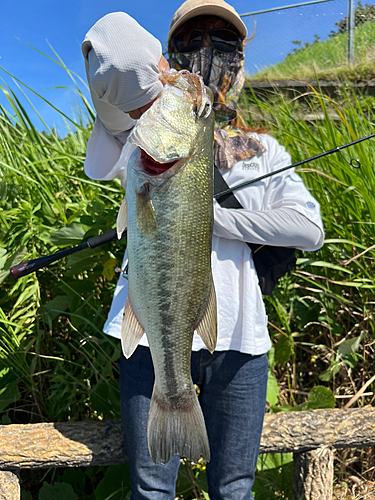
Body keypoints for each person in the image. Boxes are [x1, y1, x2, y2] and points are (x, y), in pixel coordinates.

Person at [82, 2, 325, 499]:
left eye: (223, 41)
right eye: (193, 39)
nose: (208, 50)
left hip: (239, 334)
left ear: (240, 56)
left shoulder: (265, 151)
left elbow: (309, 228)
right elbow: (111, 68)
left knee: (235, 488)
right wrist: (150, 82)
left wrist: (214, 218)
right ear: (169, 56)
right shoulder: (144, 127)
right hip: (149, 334)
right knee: (151, 491)